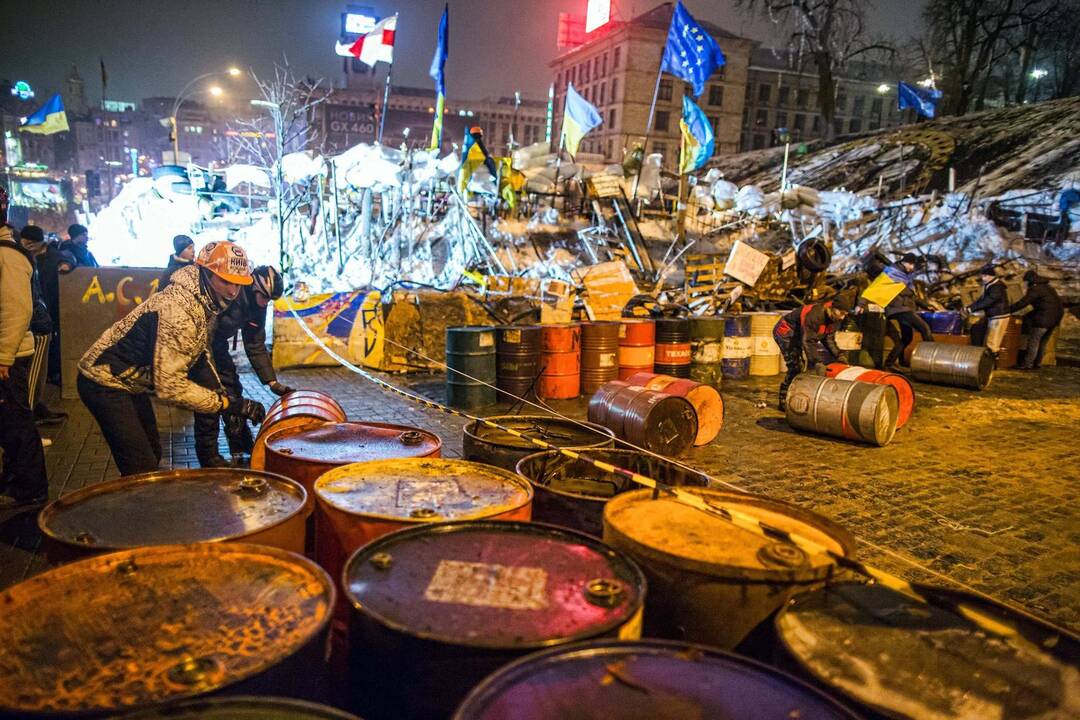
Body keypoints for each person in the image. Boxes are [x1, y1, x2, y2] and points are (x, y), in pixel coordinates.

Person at [77, 241, 266, 476]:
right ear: (205, 274)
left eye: (238, 284)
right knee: (140, 468)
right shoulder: (178, 310)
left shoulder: (201, 301)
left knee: (152, 455)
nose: (232, 291)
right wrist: (229, 404)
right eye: (225, 281)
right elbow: (170, 387)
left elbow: (197, 352)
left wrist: (222, 398)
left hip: (129, 382)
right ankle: (134, 511)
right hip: (103, 381)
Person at [193, 265, 294, 467]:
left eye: (269, 300)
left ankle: (241, 447)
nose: (265, 303)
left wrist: (272, 383)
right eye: (264, 297)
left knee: (233, 392)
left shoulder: (258, 306)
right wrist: (210, 374)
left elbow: (255, 343)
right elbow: (205, 334)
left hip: (217, 345)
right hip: (198, 345)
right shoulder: (230, 295)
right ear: (253, 287)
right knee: (211, 397)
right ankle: (209, 457)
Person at [0, 219, 49, 511]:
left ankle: (29, 488)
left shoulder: (7, 255)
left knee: (15, 422)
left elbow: (17, 308)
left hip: (11, 356)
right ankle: (18, 480)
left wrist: (4, 355)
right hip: (7, 353)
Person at [17, 226, 67, 425]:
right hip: (28, 326)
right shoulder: (19, 257)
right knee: (28, 379)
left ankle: (30, 416)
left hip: (38, 321)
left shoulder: (48, 256)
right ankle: (27, 421)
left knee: (34, 377)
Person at [773, 293, 855, 410]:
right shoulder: (815, 315)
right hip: (786, 332)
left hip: (801, 335)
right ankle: (783, 398)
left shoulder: (835, 318)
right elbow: (808, 341)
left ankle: (796, 393)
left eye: (845, 314)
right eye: (841, 313)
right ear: (832, 307)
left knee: (803, 366)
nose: (842, 317)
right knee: (796, 366)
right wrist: (816, 361)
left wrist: (839, 355)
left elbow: (828, 338)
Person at [19, 228, 74, 385]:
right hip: (26, 304)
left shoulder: (54, 257)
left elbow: (69, 260)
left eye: (30, 242)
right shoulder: (22, 255)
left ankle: (49, 373)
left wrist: (67, 264)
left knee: (48, 341)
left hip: (47, 306)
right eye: (24, 241)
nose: (26, 245)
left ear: (40, 242)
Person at [882, 253, 933, 369]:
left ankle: (891, 363)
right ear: (907, 263)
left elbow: (911, 296)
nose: (913, 269)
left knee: (907, 337)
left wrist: (926, 305)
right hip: (899, 308)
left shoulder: (905, 274)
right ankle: (930, 362)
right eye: (913, 265)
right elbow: (906, 292)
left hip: (903, 307)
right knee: (925, 329)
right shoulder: (895, 273)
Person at [1009, 269, 1064, 370]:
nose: (1026, 285)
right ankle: (1037, 363)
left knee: (1033, 341)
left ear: (1030, 281)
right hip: (1055, 318)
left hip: (1044, 318)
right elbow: (1047, 304)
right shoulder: (1048, 287)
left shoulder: (1035, 289)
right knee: (1043, 342)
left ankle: (1027, 364)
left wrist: (1008, 309)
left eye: (1026, 282)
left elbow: (1023, 302)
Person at [966, 265, 1010, 347]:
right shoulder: (990, 285)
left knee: (993, 342)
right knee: (990, 340)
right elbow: (982, 299)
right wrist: (970, 307)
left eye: (985, 276)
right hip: (996, 315)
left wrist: (972, 308)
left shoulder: (996, 287)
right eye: (982, 276)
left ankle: (992, 358)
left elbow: (988, 301)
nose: (983, 278)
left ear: (991, 276)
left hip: (999, 316)